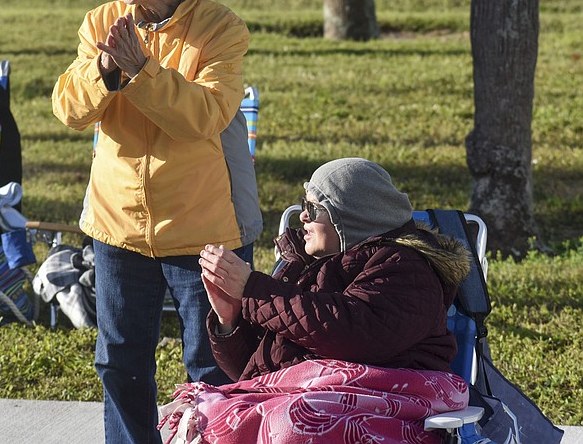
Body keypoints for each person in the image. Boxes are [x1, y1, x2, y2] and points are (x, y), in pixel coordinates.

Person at [51, 0, 260, 444]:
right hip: (118, 227)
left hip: (205, 231)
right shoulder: (101, 23)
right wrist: (104, 68)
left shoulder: (221, 30)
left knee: (212, 369)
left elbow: (206, 115)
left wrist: (141, 71)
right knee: (120, 362)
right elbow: (69, 109)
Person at [160, 157, 474, 443]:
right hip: (322, 399)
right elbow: (258, 373)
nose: (304, 216)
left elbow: (351, 333)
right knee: (219, 417)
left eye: (315, 207)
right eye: (303, 204)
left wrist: (255, 291)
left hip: (389, 405)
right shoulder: (303, 266)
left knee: (294, 422)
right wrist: (230, 320)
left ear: (350, 216)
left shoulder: (406, 269)